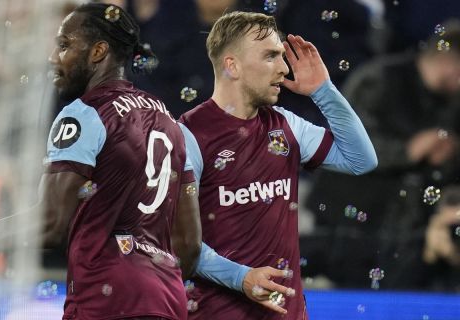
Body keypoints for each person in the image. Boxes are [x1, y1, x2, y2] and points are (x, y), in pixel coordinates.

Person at [0, 3, 201, 320]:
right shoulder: (170, 121)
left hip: (105, 300)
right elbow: (190, 245)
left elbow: (52, 224)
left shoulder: (84, 114)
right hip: (167, 300)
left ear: (98, 52)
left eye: (64, 45)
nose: (54, 58)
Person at [178, 11, 377, 320]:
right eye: (271, 56)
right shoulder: (189, 135)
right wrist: (241, 277)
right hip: (216, 312)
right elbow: (178, 241)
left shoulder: (285, 124)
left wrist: (323, 91)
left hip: (287, 312)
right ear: (232, 65)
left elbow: (361, 160)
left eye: (283, 56)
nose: (284, 69)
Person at [304, 20, 460, 289]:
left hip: (405, 237)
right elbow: (341, 142)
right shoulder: (379, 79)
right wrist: (408, 150)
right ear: (451, 62)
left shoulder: (453, 105)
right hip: (345, 224)